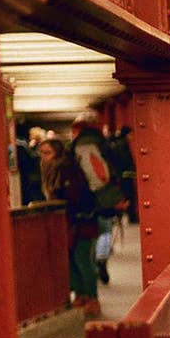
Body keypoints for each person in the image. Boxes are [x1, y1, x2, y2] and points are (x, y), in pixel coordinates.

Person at [39, 137, 101, 316]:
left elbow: (74, 195)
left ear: (57, 152)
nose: (44, 157)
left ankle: (92, 297)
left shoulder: (67, 168)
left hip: (81, 220)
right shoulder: (51, 169)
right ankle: (81, 295)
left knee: (82, 259)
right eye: (41, 153)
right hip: (69, 222)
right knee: (72, 259)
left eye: (47, 153)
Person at [71, 110, 127, 285]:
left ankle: (97, 260)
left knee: (95, 231)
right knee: (105, 229)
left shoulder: (81, 144)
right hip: (102, 194)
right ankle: (101, 258)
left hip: (89, 196)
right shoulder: (100, 143)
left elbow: (94, 173)